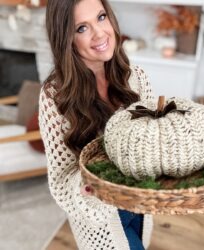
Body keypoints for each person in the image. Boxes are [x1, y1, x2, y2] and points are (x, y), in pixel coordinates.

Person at [39, 0, 155, 249]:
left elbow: (151, 139)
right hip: (99, 221)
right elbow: (60, 181)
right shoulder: (54, 96)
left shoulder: (136, 77)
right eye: (82, 28)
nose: (100, 33)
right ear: (66, 39)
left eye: (101, 17)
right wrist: (87, 185)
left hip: (140, 204)